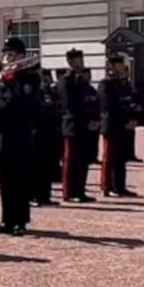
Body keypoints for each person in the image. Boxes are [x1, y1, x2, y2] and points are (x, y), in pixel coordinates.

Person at [0, 37, 38, 234]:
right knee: (5, 181)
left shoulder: (30, 77)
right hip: (1, 134)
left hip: (21, 134)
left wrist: (8, 81)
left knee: (20, 179)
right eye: (6, 54)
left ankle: (20, 221)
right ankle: (6, 219)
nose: (7, 58)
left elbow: (21, 102)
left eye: (12, 54)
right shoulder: (0, 77)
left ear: (21, 56)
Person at [57, 50, 96, 203]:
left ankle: (79, 190)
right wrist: (85, 120)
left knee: (82, 160)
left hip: (84, 126)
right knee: (71, 161)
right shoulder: (66, 81)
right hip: (72, 125)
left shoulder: (82, 81)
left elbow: (90, 101)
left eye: (81, 59)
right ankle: (69, 192)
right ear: (70, 62)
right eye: (77, 60)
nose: (80, 63)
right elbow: (69, 106)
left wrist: (93, 119)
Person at [98, 54, 136, 197]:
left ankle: (119, 185)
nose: (122, 68)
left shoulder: (124, 84)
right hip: (112, 124)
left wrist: (132, 118)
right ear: (111, 67)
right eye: (118, 65)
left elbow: (131, 102)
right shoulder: (105, 84)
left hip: (123, 126)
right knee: (110, 157)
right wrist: (125, 116)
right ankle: (107, 185)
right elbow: (109, 105)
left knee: (121, 158)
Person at [34, 68, 64, 207]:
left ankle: (45, 195)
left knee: (47, 166)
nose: (44, 80)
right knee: (36, 167)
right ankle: (34, 196)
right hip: (36, 132)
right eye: (41, 77)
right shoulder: (34, 92)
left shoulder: (50, 91)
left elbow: (59, 106)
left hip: (49, 131)